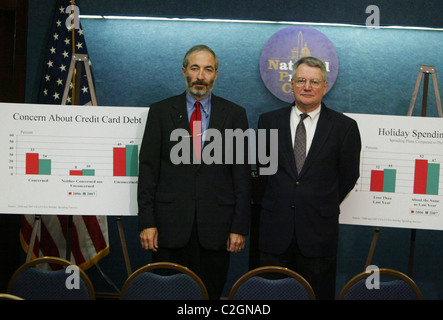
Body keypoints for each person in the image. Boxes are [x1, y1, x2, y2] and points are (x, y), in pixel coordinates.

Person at [138, 45, 251, 300]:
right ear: (184, 71)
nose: (201, 76)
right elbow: (148, 170)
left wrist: (239, 227)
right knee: (167, 296)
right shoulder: (160, 112)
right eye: (195, 68)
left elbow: (242, 176)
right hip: (168, 229)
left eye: (208, 69)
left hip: (217, 231)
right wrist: (147, 221)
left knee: (208, 296)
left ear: (216, 74)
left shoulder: (234, 115)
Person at [256, 56, 361, 299]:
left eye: (315, 82)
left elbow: (348, 175)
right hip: (275, 232)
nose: (307, 87)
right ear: (291, 84)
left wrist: (318, 201)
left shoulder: (345, 127)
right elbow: (264, 171)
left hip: (318, 234)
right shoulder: (268, 122)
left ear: (325, 87)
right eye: (301, 80)